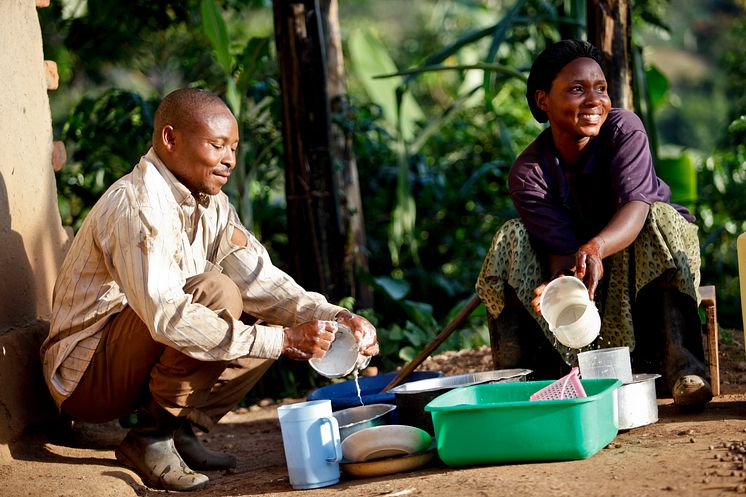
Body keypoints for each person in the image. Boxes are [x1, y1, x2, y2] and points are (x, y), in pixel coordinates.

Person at [40, 87, 379, 492]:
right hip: (88, 381)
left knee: (263, 310)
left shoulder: (210, 204)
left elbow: (263, 282)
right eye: (217, 145)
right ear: (170, 139)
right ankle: (150, 436)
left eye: (233, 148)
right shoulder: (138, 205)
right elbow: (169, 318)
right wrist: (283, 341)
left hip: (135, 358)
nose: (230, 160)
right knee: (218, 295)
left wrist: (334, 316)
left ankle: (180, 428)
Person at [475, 40, 712, 408]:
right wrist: (563, 285)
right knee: (511, 236)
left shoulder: (624, 129)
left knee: (658, 216)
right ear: (543, 101)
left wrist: (596, 246)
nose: (594, 100)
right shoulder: (529, 173)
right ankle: (519, 383)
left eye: (600, 89)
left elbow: (635, 208)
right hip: (586, 264)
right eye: (576, 89)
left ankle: (684, 370)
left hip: (648, 258)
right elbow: (560, 249)